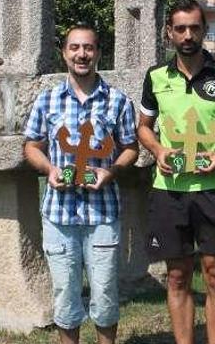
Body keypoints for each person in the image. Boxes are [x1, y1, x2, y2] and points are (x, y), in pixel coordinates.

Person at [23, 24, 139, 344]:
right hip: (59, 215)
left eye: (88, 48)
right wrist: (49, 169)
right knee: (64, 294)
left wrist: (111, 171)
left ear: (99, 53)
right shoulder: (47, 101)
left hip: (103, 213)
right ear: (64, 53)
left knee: (104, 293)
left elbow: (131, 147)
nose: (81, 54)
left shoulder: (118, 101)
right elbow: (31, 145)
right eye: (74, 48)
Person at [137, 0, 215, 344]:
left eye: (194, 27)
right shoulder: (155, 77)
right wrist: (157, 149)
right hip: (169, 190)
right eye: (180, 28)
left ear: (204, 30)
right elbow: (144, 126)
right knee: (177, 276)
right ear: (169, 32)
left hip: (213, 190)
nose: (187, 35)